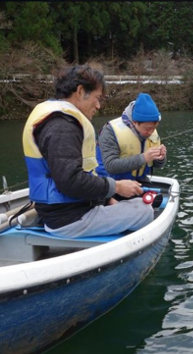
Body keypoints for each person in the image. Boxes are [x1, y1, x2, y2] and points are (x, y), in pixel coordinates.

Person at [22, 65, 154, 238]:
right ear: (80, 91)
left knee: (126, 205)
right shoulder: (62, 126)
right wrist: (117, 187)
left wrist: (107, 199)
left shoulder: (59, 119)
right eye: (97, 98)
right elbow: (70, 181)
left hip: (68, 211)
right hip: (69, 219)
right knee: (144, 210)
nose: (98, 106)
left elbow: (79, 174)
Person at [95, 93, 167, 183]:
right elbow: (110, 166)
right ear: (135, 122)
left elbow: (158, 165)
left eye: (154, 128)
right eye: (147, 128)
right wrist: (144, 157)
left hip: (139, 182)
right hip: (110, 185)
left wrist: (160, 158)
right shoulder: (110, 131)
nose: (150, 132)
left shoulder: (151, 131)